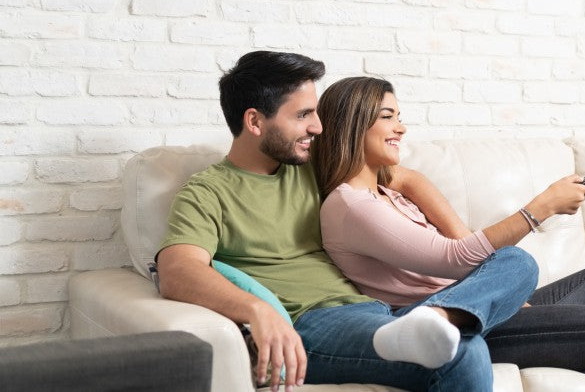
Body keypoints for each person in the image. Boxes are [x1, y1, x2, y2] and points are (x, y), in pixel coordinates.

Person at [156, 51, 525, 392]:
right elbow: (177, 271)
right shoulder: (206, 193)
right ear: (254, 121)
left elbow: (404, 177)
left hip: (377, 311)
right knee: (461, 350)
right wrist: (257, 309)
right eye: (302, 115)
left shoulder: (311, 165)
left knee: (514, 262)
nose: (317, 127)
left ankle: (435, 317)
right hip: (313, 327)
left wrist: (461, 246)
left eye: (315, 113)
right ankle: (434, 323)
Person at [313, 76, 585, 392]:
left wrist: (504, 295)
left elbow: (455, 246)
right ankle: (456, 320)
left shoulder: (385, 191)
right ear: (354, 123)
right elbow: (454, 258)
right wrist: (541, 207)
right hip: (445, 327)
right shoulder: (352, 207)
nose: (402, 127)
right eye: (388, 117)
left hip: (483, 307)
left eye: (400, 116)